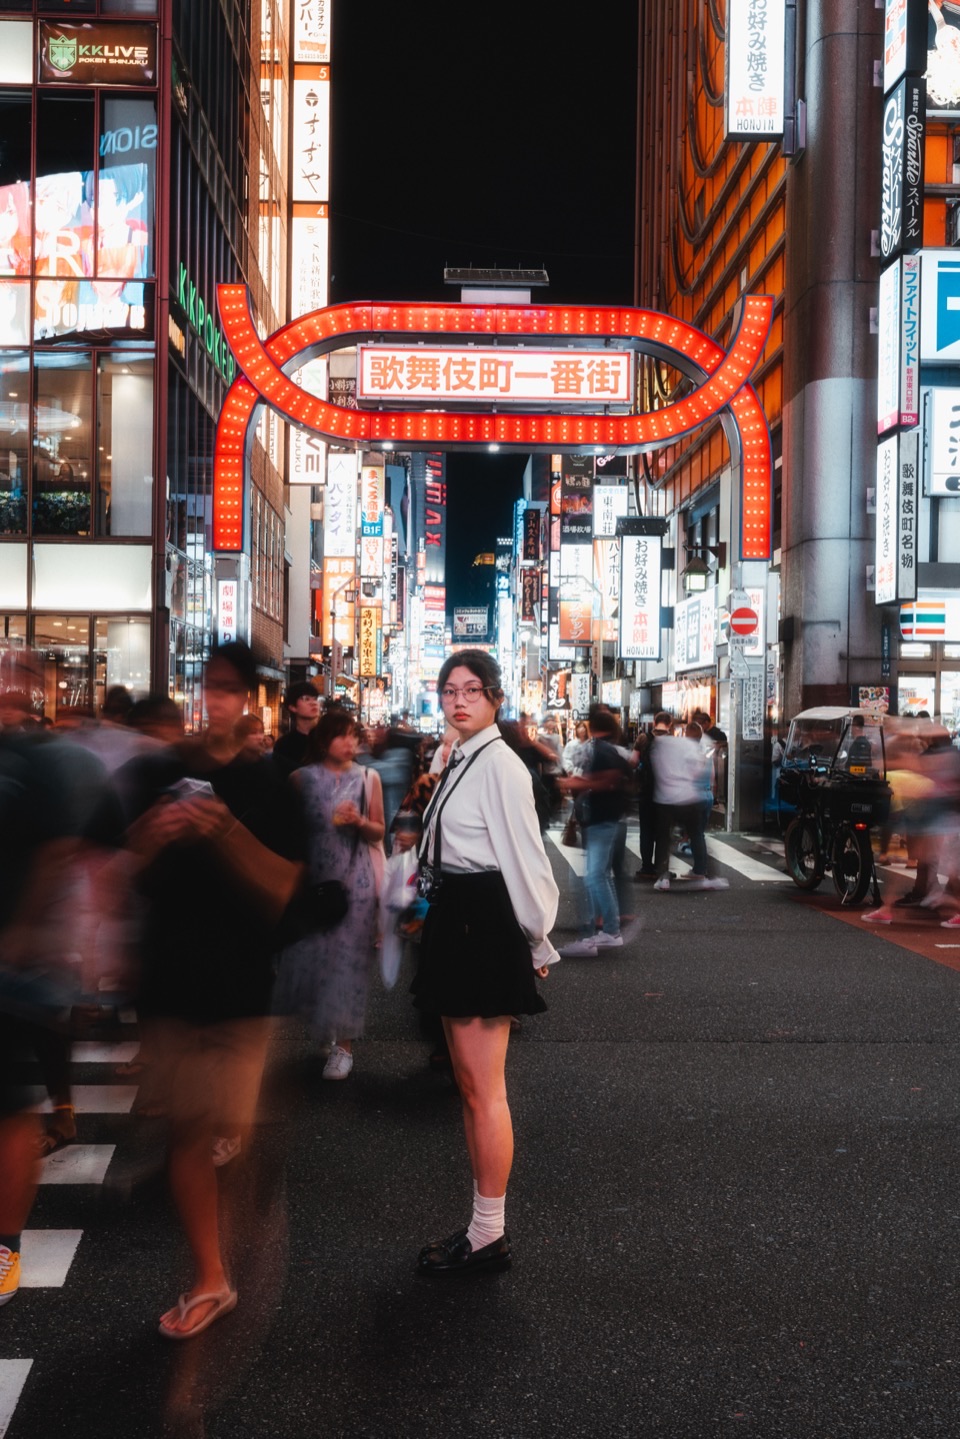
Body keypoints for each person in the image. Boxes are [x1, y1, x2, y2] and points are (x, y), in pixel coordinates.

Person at [121, 641, 305, 1339]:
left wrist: (224, 830)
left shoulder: (272, 784)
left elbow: (282, 889)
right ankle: (210, 1276)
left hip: (240, 986)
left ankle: (235, 1247)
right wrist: (156, 830)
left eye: (230, 688)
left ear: (252, 698)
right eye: (209, 685)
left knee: (231, 1134)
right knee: (189, 1134)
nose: (216, 699)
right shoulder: (158, 770)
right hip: (169, 981)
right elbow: (127, 865)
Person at [413, 649, 559, 1275]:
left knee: (483, 1091)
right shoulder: (459, 757)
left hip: (482, 924)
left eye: (473, 690)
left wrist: (537, 938)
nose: (459, 700)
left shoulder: (500, 765)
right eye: (450, 691)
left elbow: (526, 859)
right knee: (471, 1090)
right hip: (456, 919)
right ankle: (483, 1230)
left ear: (496, 698)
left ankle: (488, 1233)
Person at [275, 710, 385, 1080]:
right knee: (313, 958)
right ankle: (324, 1026)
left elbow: (378, 832)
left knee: (349, 965)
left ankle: (345, 1047)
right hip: (314, 880)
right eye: (342, 736)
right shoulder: (299, 779)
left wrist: (360, 822)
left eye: (354, 735)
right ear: (323, 740)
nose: (350, 743)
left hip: (356, 883)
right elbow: (287, 830)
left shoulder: (369, 778)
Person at [556, 706, 631, 956]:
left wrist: (575, 782)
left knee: (594, 876)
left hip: (602, 820)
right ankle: (608, 930)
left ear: (591, 726)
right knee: (600, 876)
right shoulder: (608, 750)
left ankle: (605, 933)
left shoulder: (601, 751)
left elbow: (607, 779)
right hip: (606, 819)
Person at [650, 723, 729, 892]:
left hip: (665, 798)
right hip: (688, 796)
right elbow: (698, 770)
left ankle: (663, 878)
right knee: (696, 834)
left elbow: (654, 768)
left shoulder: (660, 745)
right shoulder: (690, 746)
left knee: (664, 840)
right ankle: (706, 875)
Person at [272, 681, 320, 779]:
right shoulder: (284, 745)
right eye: (306, 699)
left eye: (315, 699)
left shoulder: (329, 737)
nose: (313, 703)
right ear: (292, 707)